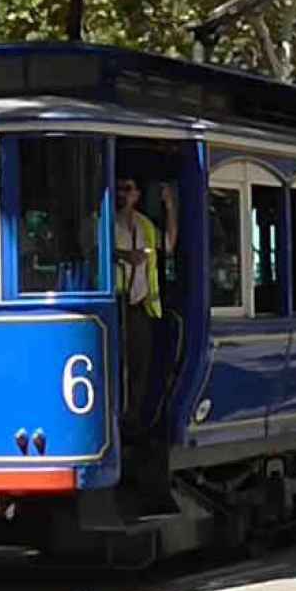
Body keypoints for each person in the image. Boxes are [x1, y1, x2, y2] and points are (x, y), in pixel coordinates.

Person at [115, 176, 177, 428]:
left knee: (141, 366)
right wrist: (124, 255)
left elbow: (169, 245)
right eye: (119, 188)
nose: (122, 193)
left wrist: (170, 207)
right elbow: (91, 250)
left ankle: (134, 422)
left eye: (128, 189)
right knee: (120, 367)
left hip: (140, 306)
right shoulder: (101, 221)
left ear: (137, 195)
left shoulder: (145, 225)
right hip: (115, 307)